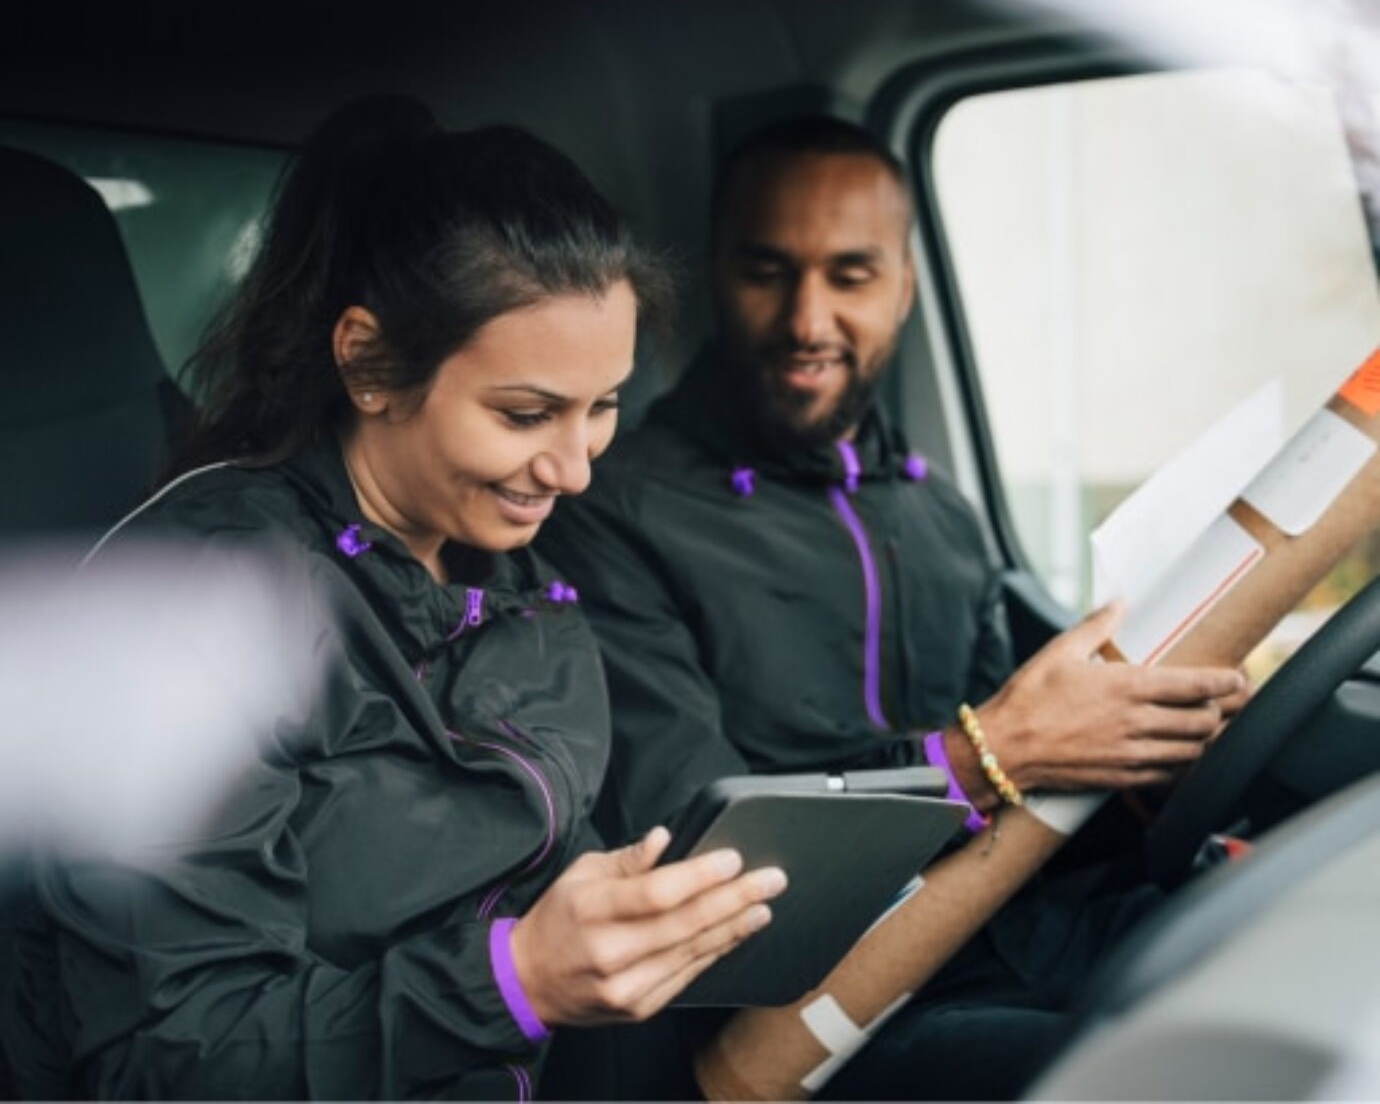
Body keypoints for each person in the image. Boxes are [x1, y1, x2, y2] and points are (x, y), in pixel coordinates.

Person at [1, 96, 789, 1101]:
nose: (576, 468)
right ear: (370, 363)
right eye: (526, 413)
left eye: (603, 406)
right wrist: (514, 978)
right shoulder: (194, 610)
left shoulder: (515, 579)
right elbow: (169, 1054)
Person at [535, 115, 1249, 1099]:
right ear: (716, 276)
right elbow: (698, 854)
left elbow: (1037, 784)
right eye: (768, 270)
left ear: (905, 285)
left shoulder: (939, 510)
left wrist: (1147, 766)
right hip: (824, 1011)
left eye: (852, 274)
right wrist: (985, 754)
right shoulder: (612, 512)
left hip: (1029, 930)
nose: (808, 319)